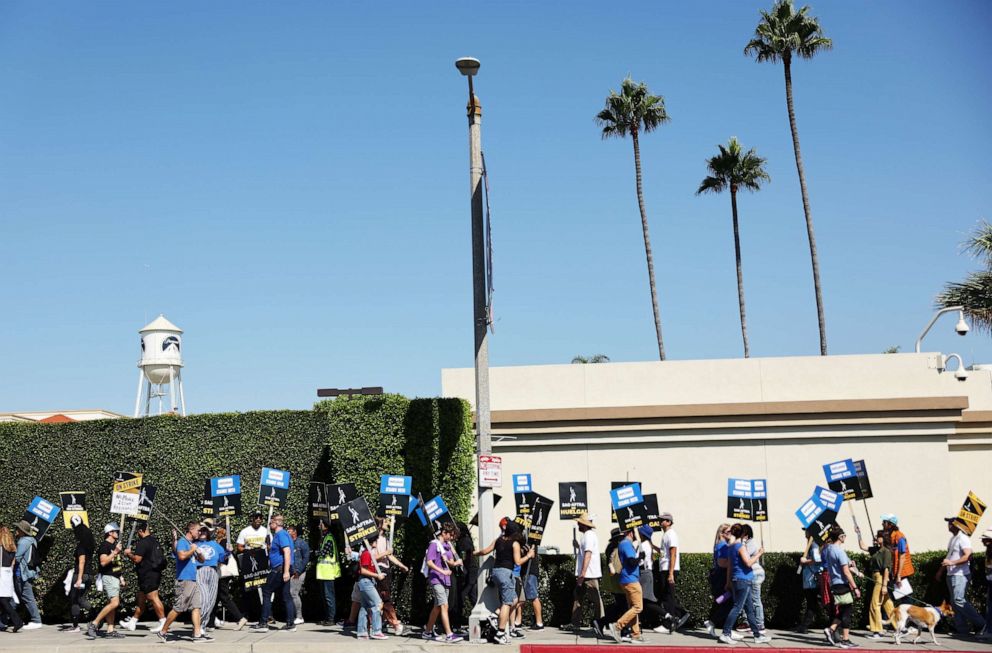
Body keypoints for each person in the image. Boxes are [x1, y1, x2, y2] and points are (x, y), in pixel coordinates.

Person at [475, 519, 530, 645]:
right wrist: (528, 555)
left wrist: (474, 553)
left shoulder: (498, 540)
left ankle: (496, 615)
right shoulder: (514, 543)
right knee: (507, 603)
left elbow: (485, 551)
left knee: (514, 600)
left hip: (496, 572)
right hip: (506, 573)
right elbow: (517, 562)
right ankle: (500, 633)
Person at [157, 521, 211, 643]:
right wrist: (192, 550)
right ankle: (163, 632)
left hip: (193, 579)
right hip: (184, 580)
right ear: (191, 530)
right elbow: (181, 556)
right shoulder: (182, 542)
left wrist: (199, 553)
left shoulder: (191, 544)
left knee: (196, 607)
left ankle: (197, 635)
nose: (200, 533)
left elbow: (201, 560)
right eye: (198, 530)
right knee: (178, 608)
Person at [719, 523, 769, 645]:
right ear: (742, 534)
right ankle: (726, 633)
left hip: (737, 579)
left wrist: (728, 582)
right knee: (737, 607)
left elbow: (730, 566)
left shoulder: (731, 547)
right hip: (743, 579)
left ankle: (757, 635)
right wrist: (759, 553)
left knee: (749, 609)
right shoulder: (740, 547)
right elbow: (748, 562)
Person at [937, 517, 986, 635]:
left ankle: (982, 624)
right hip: (952, 574)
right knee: (954, 602)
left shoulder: (963, 538)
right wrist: (941, 571)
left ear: (958, 525)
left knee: (959, 600)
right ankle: (962, 630)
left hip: (960, 575)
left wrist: (951, 563)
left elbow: (968, 555)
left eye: (951, 523)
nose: (949, 525)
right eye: (948, 523)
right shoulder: (953, 538)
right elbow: (949, 556)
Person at [121, 521, 167, 633]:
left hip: (148, 574)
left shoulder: (143, 543)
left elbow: (137, 559)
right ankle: (132, 622)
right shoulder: (154, 541)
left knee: (153, 597)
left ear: (141, 531)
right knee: (141, 599)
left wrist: (129, 553)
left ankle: (163, 622)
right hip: (152, 573)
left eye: (138, 531)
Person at [422, 521, 464, 643]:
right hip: (436, 579)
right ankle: (449, 634)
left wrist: (455, 563)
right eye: (450, 535)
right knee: (444, 605)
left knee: (437, 607)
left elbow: (449, 561)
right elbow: (430, 562)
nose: (451, 538)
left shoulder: (446, 545)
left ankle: (427, 631)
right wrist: (443, 571)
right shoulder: (434, 545)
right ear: (444, 533)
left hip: (444, 579)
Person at [253, 513, 295, 633]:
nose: (270, 524)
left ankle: (263, 622)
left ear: (276, 523)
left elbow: (286, 552)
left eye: (271, 522)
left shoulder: (281, 535)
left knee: (266, 591)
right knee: (286, 596)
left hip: (279, 569)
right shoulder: (283, 535)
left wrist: (286, 571)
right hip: (282, 568)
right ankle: (290, 623)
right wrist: (270, 548)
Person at [822, 525, 861, 649]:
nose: (845, 538)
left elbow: (843, 566)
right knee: (847, 611)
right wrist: (855, 587)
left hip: (834, 582)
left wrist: (854, 569)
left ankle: (831, 629)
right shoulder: (839, 551)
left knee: (844, 610)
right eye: (844, 535)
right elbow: (845, 571)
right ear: (840, 537)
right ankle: (845, 639)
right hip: (842, 583)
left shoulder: (828, 549)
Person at [86, 522, 126, 640]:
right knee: (115, 603)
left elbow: (116, 565)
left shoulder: (114, 546)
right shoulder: (105, 546)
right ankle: (94, 624)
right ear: (110, 533)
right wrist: (115, 552)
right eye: (116, 531)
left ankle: (110, 630)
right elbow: (103, 562)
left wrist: (120, 577)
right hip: (108, 577)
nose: (118, 533)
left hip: (114, 577)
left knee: (111, 604)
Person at [371, 517, 409, 635]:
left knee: (383, 597)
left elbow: (390, 556)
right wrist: (385, 553)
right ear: (379, 525)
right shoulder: (374, 539)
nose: (388, 523)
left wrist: (401, 565)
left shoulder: (385, 539)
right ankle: (395, 624)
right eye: (385, 522)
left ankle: (380, 623)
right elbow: (372, 558)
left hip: (386, 570)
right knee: (385, 598)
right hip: (379, 570)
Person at [569, 513, 605, 633]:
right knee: (578, 597)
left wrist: (582, 573)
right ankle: (575, 623)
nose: (578, 524)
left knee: (595, 599)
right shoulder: (587, 535)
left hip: (589, 574)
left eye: (579, 522)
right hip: (586, 574)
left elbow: (588, 555)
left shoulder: (589, 536)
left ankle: (600, 623)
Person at [607, 527, 643, 644]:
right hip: (631, 579)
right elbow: (631, 562)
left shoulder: (624, 544)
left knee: (633, 607)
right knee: (638, 607)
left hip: (627, 579)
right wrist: (641, 557)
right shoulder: (626, 544)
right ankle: (617, 626)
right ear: (631, 533)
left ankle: (635, 634)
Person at [656, 512, 690, 633]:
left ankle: (668, 624)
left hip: (668, 570)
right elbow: (663, 552)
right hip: (664, 569)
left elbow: (673, 554)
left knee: (668, 598)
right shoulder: (666, 535)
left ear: (669, 522)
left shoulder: (671, 534)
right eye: (660, 520)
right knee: (666, 596)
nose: (660, 522)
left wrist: (670, 573)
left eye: (663, 520)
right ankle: (681, 614)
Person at [209, 526, 247, 631]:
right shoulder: (222, 541)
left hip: (223, 572)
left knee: (223, 596)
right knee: (216, 597)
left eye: (217, 531)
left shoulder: (223, 542)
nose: (215, 532)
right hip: (223, 572)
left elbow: (222, 557)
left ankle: (240, 618)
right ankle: (210, 622)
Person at [236, 510, 270, 625]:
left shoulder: (266, 531)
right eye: (256, 517)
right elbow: (239, 547)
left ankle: (267, 615)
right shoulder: (245, 531)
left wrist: (264, 548)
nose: (258, 519)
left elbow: (270, 547)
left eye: (260, 517)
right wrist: (249, 550)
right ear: (252, 518)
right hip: (249, 564)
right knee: (248, 589)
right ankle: (247, 615)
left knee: (264, 590)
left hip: (263, 564)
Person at [354, 536, 389, 641]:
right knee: (377, 604)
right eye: (375, 541)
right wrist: (377, 575)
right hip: (366, 582)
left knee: (364, 607)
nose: (376, 543)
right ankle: (376, 631)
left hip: (366, 582)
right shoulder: (366, 554)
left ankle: (362, 632)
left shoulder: (368, 553)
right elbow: (363, 570)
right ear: (371, 542)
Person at [595, 528, 627, 638]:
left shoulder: (611, 548)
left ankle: (602, 622)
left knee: (620, 605)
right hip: (619, 581)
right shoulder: (617, 550)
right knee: (623, 606)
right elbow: (618, 568)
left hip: (614, 582)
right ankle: (604, 623)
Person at [704, 523, 735, 638]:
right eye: (729, 532)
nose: (732, 534)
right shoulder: (723, 546)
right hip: (722, 577)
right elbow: (722, 563)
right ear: (722, 533)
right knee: (730, 603)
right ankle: (713, 622)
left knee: (721, 602)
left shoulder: (723, 545)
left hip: (721, 576)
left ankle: (719, 626)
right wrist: (735, 563)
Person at [861, 530, 893, 639]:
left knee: (875, 604)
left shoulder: (886, 552)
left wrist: (884, 585)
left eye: (878, 536)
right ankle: (899, 627)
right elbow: (863, 546)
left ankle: (877, 631)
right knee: (888, 604)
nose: (876, 537)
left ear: (883, 538)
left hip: (880, 578)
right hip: (876, 577)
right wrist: (859, 533)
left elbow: (886, 570)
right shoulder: (876, 550)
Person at [65, 515, 94, 633]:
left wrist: (79, 578)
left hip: (80, 574)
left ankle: (76, 625)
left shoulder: (81, 546)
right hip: (88, 574)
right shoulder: (89, 544)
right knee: (81, 599)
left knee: (75, 600)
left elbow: (81, 562)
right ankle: (97, 616)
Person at [194, 523, 226, 633]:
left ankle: (202, 625)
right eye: (201, 531)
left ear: (208, 533)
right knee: (204, 599)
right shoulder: (194, 544)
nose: (202, 533)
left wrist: (228, 552)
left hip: (213, 571)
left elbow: (222, 558)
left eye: (205, 531)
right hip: (200, 570)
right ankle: (198, 625)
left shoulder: (214, 544)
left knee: (211, 601)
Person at [795, 532, 826, 634]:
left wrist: (805, 561)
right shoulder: (810, 544)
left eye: (807, 530)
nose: (805, 532)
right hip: (809, 579)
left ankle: (804, 625)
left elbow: (817, 560)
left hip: (812, 580)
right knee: (812, 603)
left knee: (812, 603)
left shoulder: (814, 545)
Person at [12, 521, 41, 630]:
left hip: (21, 573)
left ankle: (36, 620)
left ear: (22, 531)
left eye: (18, 529)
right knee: (15, 597)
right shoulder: (33, 540)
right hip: (29, 572)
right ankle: (4, 620)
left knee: (27, 597)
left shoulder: (23, 542)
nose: (16, 531)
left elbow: (17, 557)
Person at [880, 514, 914, 604]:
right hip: (894, 572)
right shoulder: (890, 536)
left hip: (901, 572)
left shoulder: (899, 536)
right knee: (893, 597)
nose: (882, 524)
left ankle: (910, 617)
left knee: (906, 599)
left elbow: (902, 556)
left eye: (884, 522)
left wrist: (898, 575)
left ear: (890, 524)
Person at [314, 518, 341, 626]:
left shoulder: (329, 538)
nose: (318, 526)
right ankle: (327, 618)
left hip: (328, 573)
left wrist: (316, 552)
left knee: (329, 596)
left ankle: (331, 618)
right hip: (323, 573)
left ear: (325, 526)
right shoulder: (324, 537)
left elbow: (323, 552)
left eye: (320, 524)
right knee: (325, 597)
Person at [451, 520, 477, 631]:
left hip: (469, 573)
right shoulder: (463, 540)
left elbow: (467, 558)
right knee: (473, 597)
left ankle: (457, 623)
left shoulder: (464, 541)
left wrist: (464, 571)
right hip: (469, 572)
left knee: (460, 597)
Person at [0, 526, 23, 633]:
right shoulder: (13, 548)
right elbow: (13, 564)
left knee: (4, 601)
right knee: (5, 601)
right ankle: (3, 622)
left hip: (1, 574)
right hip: (8, 573)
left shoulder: (1, 548)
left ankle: (17, 621)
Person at [288, 524, 310, 626]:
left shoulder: (302, 543)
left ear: (294, 531)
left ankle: (299, 617)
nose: (288, 532)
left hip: (298, 573)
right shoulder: (287, 543)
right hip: (289, 572)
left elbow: (305, 559)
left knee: (294, 593)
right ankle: (291, 616)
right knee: (290, 594)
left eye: (290, 531)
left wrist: (298, 571)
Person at [981, 528, 992, 640]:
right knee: (989, 608)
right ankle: (989, 630)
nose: (982, 541)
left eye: (984, 539)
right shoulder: (988, 550)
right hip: (990, 582)